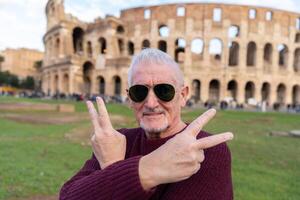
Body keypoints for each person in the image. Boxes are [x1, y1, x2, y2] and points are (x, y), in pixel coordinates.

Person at [59, 48, 234, 200]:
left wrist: (113, 170)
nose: (151, 103)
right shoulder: (116, 141)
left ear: (183, 95)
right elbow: (66, 196)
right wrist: (144, 171)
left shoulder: (207, 150)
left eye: (164, 91)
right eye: (139, 91)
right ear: (129, 98)